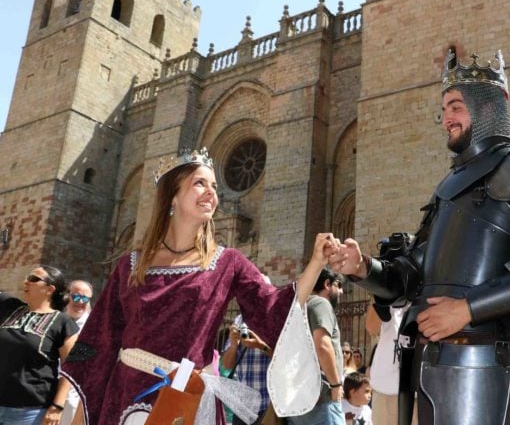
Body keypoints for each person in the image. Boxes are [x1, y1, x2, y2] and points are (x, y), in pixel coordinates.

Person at [329, 48, 510, 425]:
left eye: (455, 107)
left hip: (507, 375)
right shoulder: (447, 188)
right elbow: (413, 276)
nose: (446, 118)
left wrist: (467, 309)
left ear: (487, 108)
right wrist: (363, 268)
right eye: (444, 109)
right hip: (433, 372)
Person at [61, 148, 338, 425]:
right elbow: (100, 340)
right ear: (173, 196)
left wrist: (316, 262)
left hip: (188, 398)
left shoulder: (228, 262)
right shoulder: (131, 265)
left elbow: (275, 308)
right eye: (199, 183)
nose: (211, 193)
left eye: (214, 186)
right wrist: (80, 416)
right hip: (126, 396)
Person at [0, 266, 79, 425]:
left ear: (50, 289)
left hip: (29, 412)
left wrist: (57, 406)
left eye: (33, 279)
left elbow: (72, 368)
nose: (26, 281)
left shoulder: (63, 322)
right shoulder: (9, 306)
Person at [287, 268, 345, 425]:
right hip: (322, 399)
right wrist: (335, 384)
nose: (341, 291)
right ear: (327, 284)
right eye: (339, 285)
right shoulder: (320, 303)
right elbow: (323, 346)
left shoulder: (295, 308)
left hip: (296, 400)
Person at [222, 312, 273, 424]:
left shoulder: (274, 318)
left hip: (267, 406)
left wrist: (261, 346)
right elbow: (227, 365)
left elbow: (284, 359)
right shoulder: (239, 320)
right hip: (242, 407)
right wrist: (234, 345)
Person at [60, 280, 93, 425]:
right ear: (67, 296)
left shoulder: (93, 328)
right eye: (76, 296)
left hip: (74, 394)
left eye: (85, 298)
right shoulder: (56, 320)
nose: (80, 302)